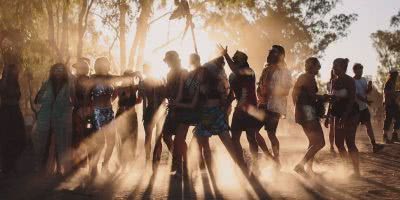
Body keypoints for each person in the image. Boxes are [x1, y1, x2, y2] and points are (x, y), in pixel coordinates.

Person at [217, 45, 260, 172]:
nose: (234, 59)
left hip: (251, 108)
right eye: (234, 58)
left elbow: (236, 70)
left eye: (237, 58)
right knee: (234, 138)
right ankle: (241, 163)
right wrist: (227, 103)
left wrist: (225, 55)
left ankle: (256, 165)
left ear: (243, 60)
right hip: (240, 109)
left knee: (251, 137)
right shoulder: (232, 75)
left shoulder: (249, 71)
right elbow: (233, 91)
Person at [33, 63, 73, 175]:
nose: (58, 72)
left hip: (62, 118)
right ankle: (39, 165)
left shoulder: (68, 85)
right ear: (52, 72)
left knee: (62, 143)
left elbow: (73, 101)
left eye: (61, 70)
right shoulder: (46, 84)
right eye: (56, 70)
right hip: (45, 117)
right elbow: (38, 99)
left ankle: (60, 168)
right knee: (42, 142)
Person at [257, 45, 292, 167]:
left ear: (281, 56)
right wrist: (259, 91)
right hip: (262, 104)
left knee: (271, 134)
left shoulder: (285, 72)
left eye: (274, 52)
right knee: (252, 131)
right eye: (270, 51)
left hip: (275, 106)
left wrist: (271, 92)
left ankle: (276, 159)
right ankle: (269, 156)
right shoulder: (266, 69)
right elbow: (260, 87)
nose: (270, 54)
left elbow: (286, 91)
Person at [170, 53, 204, 176]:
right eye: (191, 60)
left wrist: (178, 104)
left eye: (194, 60)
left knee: (199, 142)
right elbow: (180, 93)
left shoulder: (203, 73)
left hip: (199, 110)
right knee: (179, 139)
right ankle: (183, 167)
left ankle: (194, 166)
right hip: (186, 110)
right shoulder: (187, 75)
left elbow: (196, 98)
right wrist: (175, 103)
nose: (192, 62)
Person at [292, 57, 327, 175]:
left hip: (301, 112)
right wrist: (324, 98)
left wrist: (297, 108)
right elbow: (313, 97)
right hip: (308, 112)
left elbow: (294, 94)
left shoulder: (302, 77)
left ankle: (308, 168)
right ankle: (300, 165)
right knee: (320, 142)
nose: (319, 68)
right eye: (318, 66)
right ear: (312, 66)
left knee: (312, 141)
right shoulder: (309, 78)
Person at [154, 51, 186, 172]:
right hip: (172, 108)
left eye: (168, 60)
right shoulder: (169, 73)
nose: (166, 63)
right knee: (166, 136)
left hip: (183, 109)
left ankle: (184, 164)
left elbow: (184, 90)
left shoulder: (184, 72)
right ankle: (178, 160)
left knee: (179, 139)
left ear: (173, 60)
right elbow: (168, 92)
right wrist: (162, 87)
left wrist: (177, 100)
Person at [330, 58, 360, 177]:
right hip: (338, 114)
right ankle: (345, 168)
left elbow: (352, 100)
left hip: (351, 113)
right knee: (338, 142)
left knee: (350, 142)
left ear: (343, 67)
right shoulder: (334, 81)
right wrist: (328, 117)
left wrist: (345, 116)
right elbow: (334, 100)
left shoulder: (349, 81)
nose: (334, 68)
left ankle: (356, 171)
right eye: (333, 65)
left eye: (336, 66)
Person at [88, 57, 118, 175]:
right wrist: (89, 108)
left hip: (109, 112)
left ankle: (104, 166)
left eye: (105, 64)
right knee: (99, 142)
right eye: (100, 64)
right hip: (96, 112)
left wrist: (111, 100)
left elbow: (115, 92)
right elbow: (87, 95)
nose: (103, 66)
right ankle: (93, 167)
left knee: (112, 141)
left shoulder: (110, 78)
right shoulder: (93, 78)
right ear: (97, 66)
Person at [0, 64, 26, 176]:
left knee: (19, 138)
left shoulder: (15, 82)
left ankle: (11, 164)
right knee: (6, 139)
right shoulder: (3, 82)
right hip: (6, 112)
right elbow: (3, 91)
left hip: (15, 112)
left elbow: (18, 96)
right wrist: (4, 76)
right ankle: (7, 166)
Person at [353, 63, 384, 152]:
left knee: (369, 126)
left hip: (364, 107)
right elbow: (356, 95)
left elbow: (366, 92)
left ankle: (374, 145)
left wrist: (370, 87)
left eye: (361, 70)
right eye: (359, 70)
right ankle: (351, 145)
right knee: (354, 127)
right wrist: (366, 101)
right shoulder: (352, 81)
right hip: (356, 108)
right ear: (354, 71)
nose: (361, 72)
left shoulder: (363, 79)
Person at [139, 64, 166, 164]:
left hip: (155, 111)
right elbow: (143, 100)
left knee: (153, 137)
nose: (145, 71)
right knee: (152, 137)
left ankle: (153, 159)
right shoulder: (144, 83)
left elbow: (143, 100)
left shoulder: (145, 82)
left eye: (145, 69)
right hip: (153, 111)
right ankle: (151, 159)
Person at [116, 70, 142, 160]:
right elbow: (120, 99)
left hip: (131, 115)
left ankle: (130, 159)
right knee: (122, 137)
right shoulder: (119, 88)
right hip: (121, 115)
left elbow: (139, 100)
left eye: (131, 77)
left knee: (132, 137)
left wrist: (140, 77)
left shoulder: (135, 87)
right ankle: (122, 160)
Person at [71, 60, 92, 152]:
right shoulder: (74, 81)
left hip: (87, 111)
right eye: (77, 69)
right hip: (79, 110)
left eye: (79, 68)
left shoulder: (89, 80)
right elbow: (72, 96)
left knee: (86, 134)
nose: (77, 70)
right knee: (78, 134)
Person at [383, 68, 400, 143]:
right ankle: (385, 136)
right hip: (389, 103)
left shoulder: (392, 82)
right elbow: (386, 92)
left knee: (398, 118)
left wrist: (397, 92)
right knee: (388, 119)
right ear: (392, 75)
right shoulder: (389, 82)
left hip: (393, 103)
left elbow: (391, 92)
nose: (397, 75)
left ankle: (394, 135)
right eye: (396, 74)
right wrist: (395, 93)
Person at [324, 70, 336, 152]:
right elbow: (330, 96)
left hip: (335, 106)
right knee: (332, 128)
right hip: (332, 106)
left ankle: (335, 145)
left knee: (335, 127)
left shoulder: (342, 82)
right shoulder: (329, 84)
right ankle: (332, 145)